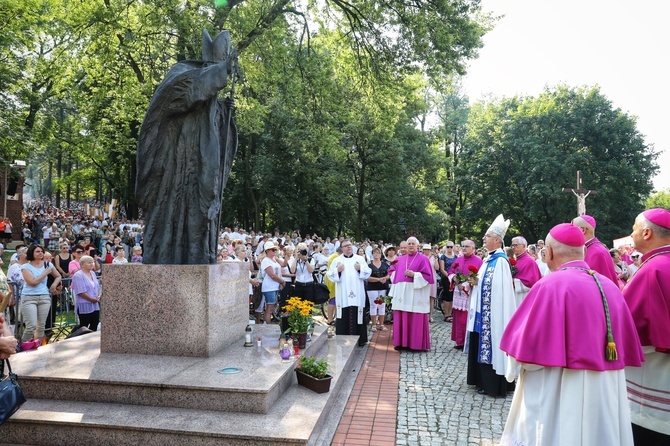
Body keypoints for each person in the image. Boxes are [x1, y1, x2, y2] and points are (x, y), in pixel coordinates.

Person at [500, 223, 644, 446]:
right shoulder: (610, 287)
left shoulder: (550, 284)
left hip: (558, 390)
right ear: (583, 252)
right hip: (604, 390)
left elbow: (523, 354)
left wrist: (512, 368)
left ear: (548, 252)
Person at [136, 30, 238, 265]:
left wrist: (224, 109)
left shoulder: (208, 84)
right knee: (173, 208)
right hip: (176, 162)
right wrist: (221, 71)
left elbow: (212, 124)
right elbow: (189, 93)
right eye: (216, 66)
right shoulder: (182, 74)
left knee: (203, 210)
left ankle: (199, 255)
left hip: (202, 165)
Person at [622, 208, 670, 445]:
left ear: (647, 233)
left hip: (654, 376)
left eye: (634, 228)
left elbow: (629, 324)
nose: (632, 233)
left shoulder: (653, 268)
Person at [466, 214, 516, 397]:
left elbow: (499, 290)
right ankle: (481, 380)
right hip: (483, 312)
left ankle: (493, 384)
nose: (483, 239)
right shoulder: (488, 259)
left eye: (486, 236)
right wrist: (473, 283)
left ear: (497, 240)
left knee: (492, 345)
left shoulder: (501, 261)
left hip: (494, 313)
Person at [390, 237, 434, 351]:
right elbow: (394, 276)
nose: (410, 245)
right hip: (402, 292)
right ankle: (400, 343)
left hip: (416, 292)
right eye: (408, 243)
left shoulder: (423, 258)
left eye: (413, 244)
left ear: (417, 246)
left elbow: (428, 277)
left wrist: (415, 275)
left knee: (415, 317)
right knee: (401, 315)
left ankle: (415, 344)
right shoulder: (400, 259)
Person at [327, 239, 371, 346]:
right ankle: (343, 340)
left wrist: (360, 268)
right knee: (344, 315)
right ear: (342, 249)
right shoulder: (337, 260)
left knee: (358, 314)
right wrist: (338, 270)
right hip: (343, 294)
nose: (349, 247)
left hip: (357, 293)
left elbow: (368, 272)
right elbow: (330, 275)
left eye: (350, 245)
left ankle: (360, 340)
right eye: (346, 246)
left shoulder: (360, 259)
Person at [20, 244, 62, 345]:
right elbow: (32, 282)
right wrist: (45, 273)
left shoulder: (48, 264)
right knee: (31, 326)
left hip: (44, 297)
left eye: (41, 251)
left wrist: (53, 285)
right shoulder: (25, 267)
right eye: (37, 251)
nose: (41, 253)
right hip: (29, 297)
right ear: (32, 253)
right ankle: (21, 347)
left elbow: (58, 276)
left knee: (41, 326)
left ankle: (36, 347)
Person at [448, 240, 482, 349]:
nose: (464, 248)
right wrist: (454, 278)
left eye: (467, 246)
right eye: (463, 246)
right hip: (458, 293)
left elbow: (478, 277)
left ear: (473, 248)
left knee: (466, 318)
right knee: (458, 317)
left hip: (469, 292)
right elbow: (451, 272)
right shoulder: (458, 259)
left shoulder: (478, 260)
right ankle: (459, 341)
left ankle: (467, 342)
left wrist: (466, 285)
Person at [572, 214, 619, 285]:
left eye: (573, 228)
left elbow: (600, 286)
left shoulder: (597, 252)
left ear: (582, 230)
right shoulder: (589, 248)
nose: (570, 232)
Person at [71, 255, 101, 331]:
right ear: (82, 264)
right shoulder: (78, 275)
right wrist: (91, 299)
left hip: (95, 304)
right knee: (84, 325)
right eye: (89, 263)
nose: (92, 264)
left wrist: (98, 296)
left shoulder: (93, 273)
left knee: (95, 322)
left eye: (92, 262)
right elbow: (80, 291)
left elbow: (97, 286)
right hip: (84, 304)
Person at [510, 236, 542, 306]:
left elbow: (533, 282)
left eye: (515, 245)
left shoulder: (529, 261)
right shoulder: (516, 260)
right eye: (512, 245)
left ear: (524, 246)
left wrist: (512, 281)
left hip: (524, 296)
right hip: (515, 295)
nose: (513, 247)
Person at [260, 241, 285, 325]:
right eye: (272, 250)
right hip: (269, 287)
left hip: (274, 286)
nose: (274, 251)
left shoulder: (274, 260)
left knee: (271, 307)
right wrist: (282, 281)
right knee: (269, 308)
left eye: (275, 250)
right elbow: (272, 275)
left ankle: (267, 324)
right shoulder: (266, 260)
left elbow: (284, 265)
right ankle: (267, 325)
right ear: (267, 250)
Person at [366, 247, 390, 332]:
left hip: (382, 287)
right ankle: (374, 324)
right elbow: (367, 277)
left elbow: (389, 274)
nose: (376, 254)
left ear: (380, 254)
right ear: (372, 254)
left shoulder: (385, 264)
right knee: (373, 305)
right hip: (372, 287)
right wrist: (378, 279)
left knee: (382, 305)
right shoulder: (369, 265)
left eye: (378, 253)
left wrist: (385, 278)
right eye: (374, 253)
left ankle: (381, 324)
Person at [438, 242, 457, 322]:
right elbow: (442, 269)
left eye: (451, 247)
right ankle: (446, 314)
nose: (449, 248)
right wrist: (449, 276)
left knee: (452, 296)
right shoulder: (443, 257)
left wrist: (454, 277)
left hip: (454, 278)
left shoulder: (455, 256)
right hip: (446, 278)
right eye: (448, 247)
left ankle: (450, 313)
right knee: (447, 296)